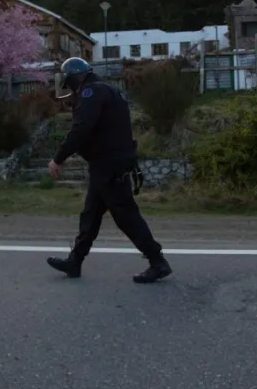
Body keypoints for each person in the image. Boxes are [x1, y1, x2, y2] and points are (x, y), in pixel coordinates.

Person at [45, 56, 172, 283]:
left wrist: (58, 159)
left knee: (126, 216)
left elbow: (81, 129)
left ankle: (157, 261)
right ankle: (75, 261)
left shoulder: (91, 93)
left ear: (75, 78)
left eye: (70, 83)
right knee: (90, 215)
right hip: (107, 165)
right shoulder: (107, 90)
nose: (71, 89)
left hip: (109, 165)